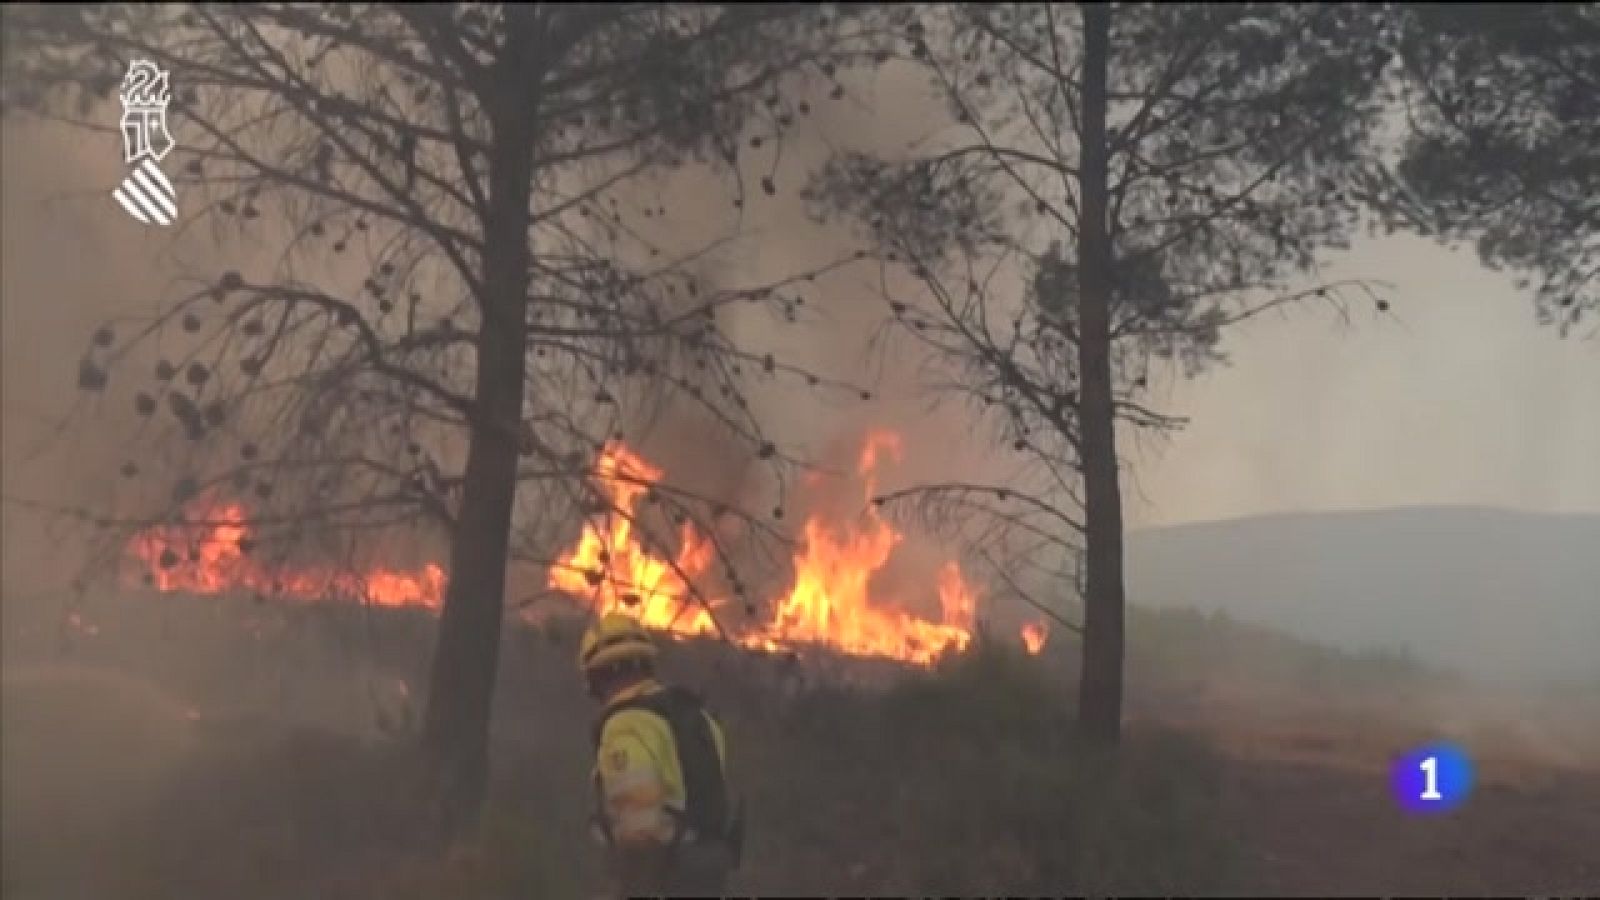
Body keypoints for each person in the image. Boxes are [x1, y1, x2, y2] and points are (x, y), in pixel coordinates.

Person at [580, 612, 742, 897]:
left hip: (660, 878)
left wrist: (635, 888)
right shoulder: (697, 718)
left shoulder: (625, 725)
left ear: (599, 676)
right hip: (710, 875)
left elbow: (639, 825)